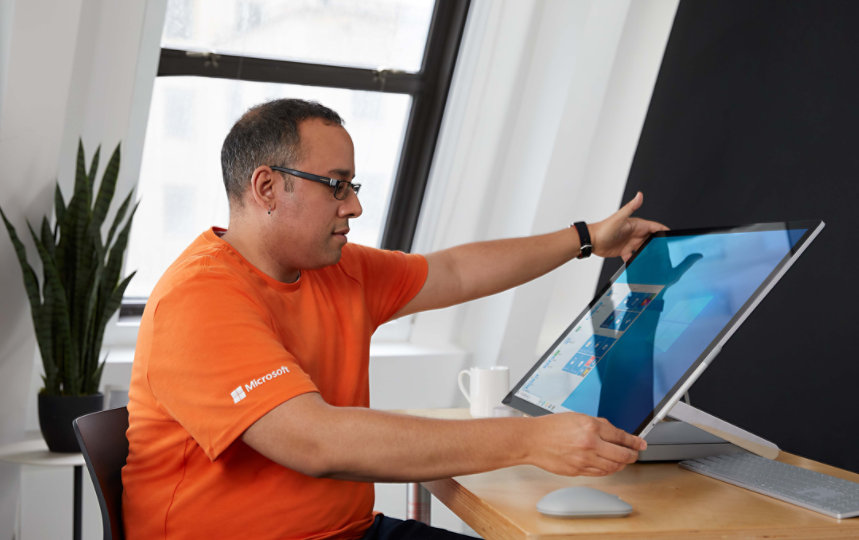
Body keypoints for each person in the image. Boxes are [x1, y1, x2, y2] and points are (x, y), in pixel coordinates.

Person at [122, 98, 667, 540]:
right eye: (335, 185)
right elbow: (315, 442)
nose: (353, 206)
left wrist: (586, 239)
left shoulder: (334, 269)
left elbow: (455, 271)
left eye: (353, 186)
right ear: (267, 187)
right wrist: (529, 440)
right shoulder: (199, 298)